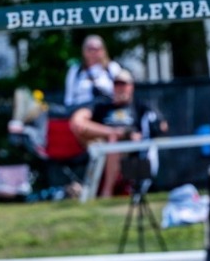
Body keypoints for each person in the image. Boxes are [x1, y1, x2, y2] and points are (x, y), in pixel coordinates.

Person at [68, 69, 166, 197]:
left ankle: (106, 192)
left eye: (123, 84)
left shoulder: (139, 106)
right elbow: (77, 121)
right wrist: (113, 132)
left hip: (130, 148)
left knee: (114, 143)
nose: (120, 88)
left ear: (131, 86)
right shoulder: (102, 105)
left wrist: (140, 134)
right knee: (110, 139)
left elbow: (161, 125)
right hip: (100, 144)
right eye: (116, 84)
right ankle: (90, 189)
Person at [64, 35, 127, 107]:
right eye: (90, 49)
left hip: (107, 108)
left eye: (97, 49)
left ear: (103, 50)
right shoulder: (75, 70)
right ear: (84, 51)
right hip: (81, 108)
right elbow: (69, 98)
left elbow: (121, 92)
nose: (93, 52)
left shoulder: (112, 67)